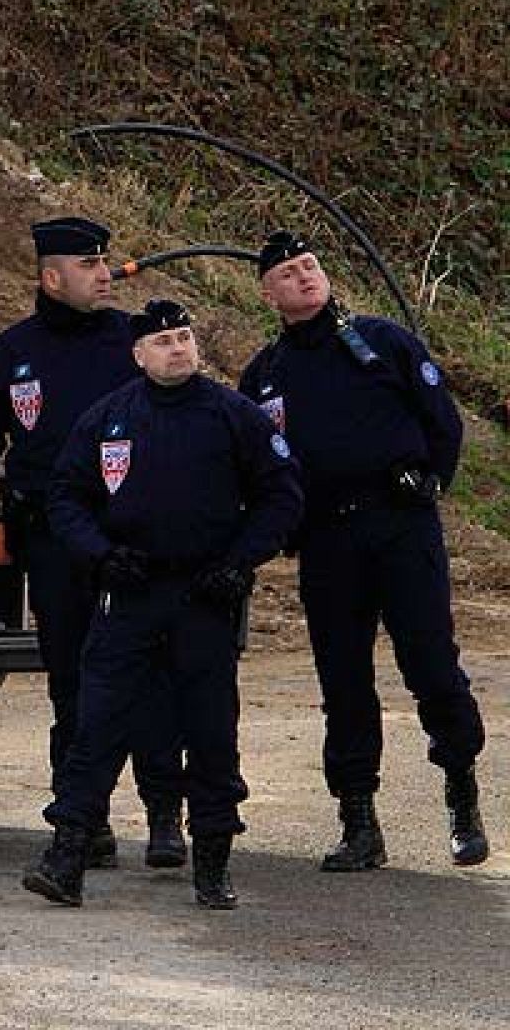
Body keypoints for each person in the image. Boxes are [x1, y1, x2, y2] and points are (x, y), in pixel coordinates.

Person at [23, 299, 302, 909]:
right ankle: (66, 854)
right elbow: (66, 497)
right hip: (129, 593)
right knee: (97, 726)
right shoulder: (110, 418)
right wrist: (99, 555)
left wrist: (239, 562)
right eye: (164, 341)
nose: (177, 348)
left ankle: (213, 865)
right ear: (139, 354)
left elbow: (282, 495)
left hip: (205, 596)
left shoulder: (235, 416)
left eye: (184, 337)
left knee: (209, 730)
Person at [240, 231, 489, 870]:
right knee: (343, 682)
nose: (305, 278)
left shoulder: (381, 342)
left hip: (400, 527)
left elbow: (443, 422)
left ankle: (461, 790)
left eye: (311, 266)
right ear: (269, 293)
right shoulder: (266, 375)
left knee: (431, 666)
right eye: (290, 273)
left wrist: (431, 480)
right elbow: (253, 466)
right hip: (328, 541)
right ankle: (358, 821)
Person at [0, 217, 186, 870]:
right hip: (54, 544)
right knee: (74, 686)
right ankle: (86, 819)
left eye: (105, 261)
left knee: (153, 678)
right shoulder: (11, 354)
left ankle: (166, 814)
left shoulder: (134, 342)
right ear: (52, 276)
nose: (104, 273)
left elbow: (194, 426)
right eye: (88, 264)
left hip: (137, 540)